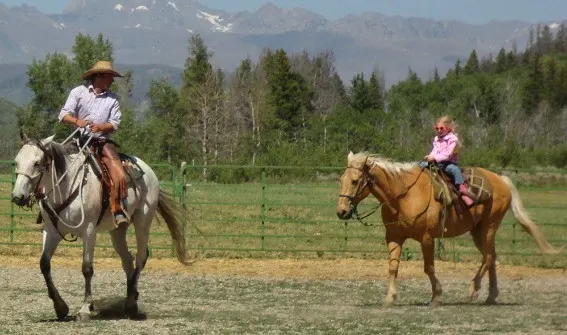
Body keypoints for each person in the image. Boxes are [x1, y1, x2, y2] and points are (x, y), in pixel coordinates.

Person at [58, 60, 129, 226]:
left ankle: (118, 208)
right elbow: (63, 115)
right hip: (78, 139)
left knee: (118, 172)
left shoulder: (113, 99)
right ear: (99, 76)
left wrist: (101, 127)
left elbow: (115, 123)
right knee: (53, 162)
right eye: (109, 77)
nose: (112, 81)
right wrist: (77, 121)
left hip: (102, 141)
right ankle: (47, 208)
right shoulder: (78, 92)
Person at [420, 115, 475, 207]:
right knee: (419, 164)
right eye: (436, 128)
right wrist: (430, 156)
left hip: (448, 163)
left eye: (441, 128)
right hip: (436, 163)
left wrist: (434, 158)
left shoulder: (453, 139)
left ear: (448, 128)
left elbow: (448, 154)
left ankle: (463, 190)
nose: (439, 130)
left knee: (455, 170)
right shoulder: (436, 139)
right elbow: (435, 150)